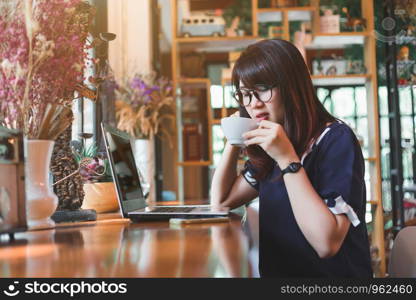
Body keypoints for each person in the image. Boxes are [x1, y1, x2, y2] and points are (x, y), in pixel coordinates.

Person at [210, 39, 373, 278]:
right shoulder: (274, 141)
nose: (254, 104)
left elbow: (326, 244)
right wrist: (234, 138)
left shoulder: (335, 139)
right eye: (245, 94)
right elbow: (221, 202)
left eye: (262, 89)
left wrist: (287, 159)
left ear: (291, 85)